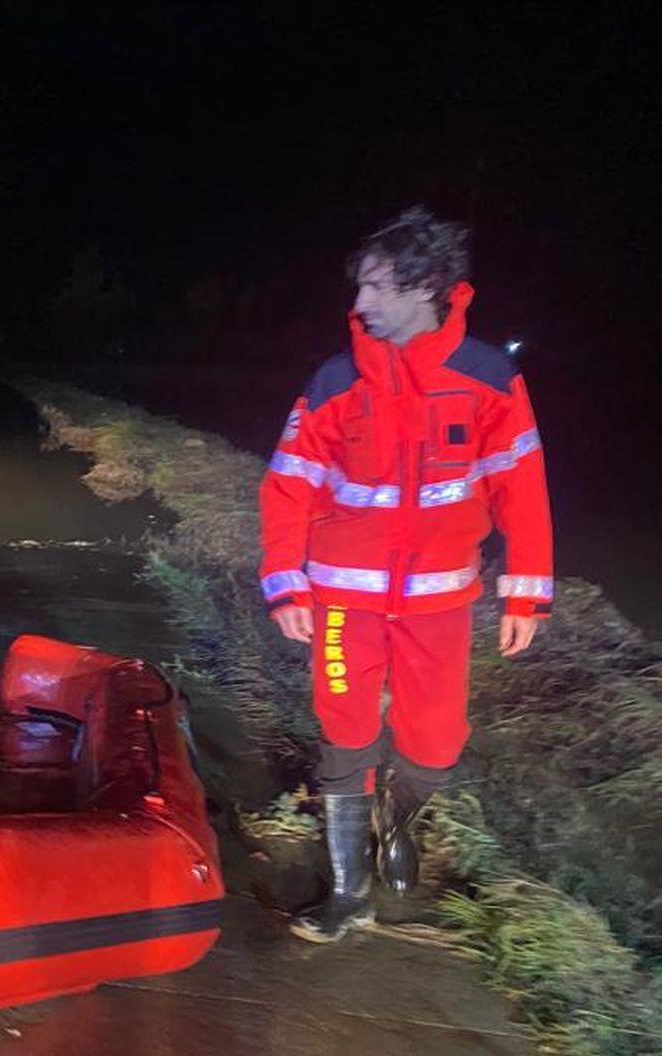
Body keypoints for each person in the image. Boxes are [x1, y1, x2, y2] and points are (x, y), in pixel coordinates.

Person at [257, 207, 553, 943]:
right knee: (344, 733)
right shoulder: (334, 380)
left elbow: (522, 485)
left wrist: (527, 588)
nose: (360, 305)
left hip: (440, 603)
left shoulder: (488, 378)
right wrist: (285, 581)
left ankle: (398, 821)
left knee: (435, 741)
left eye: (378, 287)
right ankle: (348, 894)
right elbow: (288, 485)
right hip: (340, 603)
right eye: (360, 287)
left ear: (429, 287)